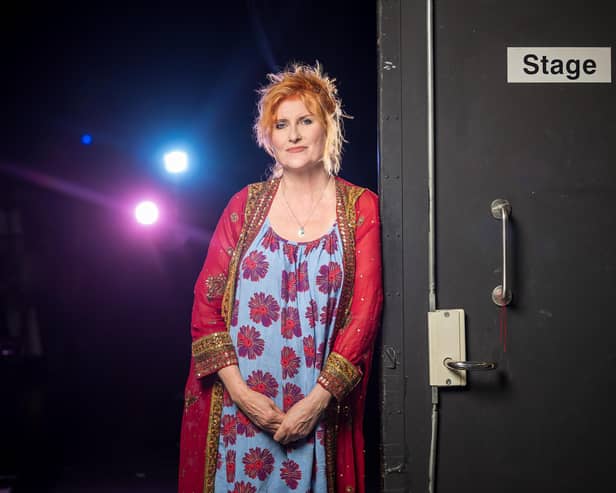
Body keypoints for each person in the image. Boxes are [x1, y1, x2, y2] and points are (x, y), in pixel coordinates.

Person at [179, 62, 383, 493]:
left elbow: (365, 316)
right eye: (281, 124)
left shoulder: (361, 207)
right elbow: (206, 305)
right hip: (243, 412)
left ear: (327, 125)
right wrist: (242, 395)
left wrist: (316, 404)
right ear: (267, 137)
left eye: (305, 121)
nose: (292, 135)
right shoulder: (244, 206)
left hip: (318, 414)